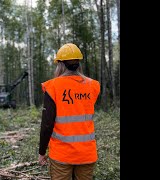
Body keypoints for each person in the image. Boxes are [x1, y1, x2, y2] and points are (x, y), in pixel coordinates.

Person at [38, 43, 101, 180]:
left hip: (62, 154)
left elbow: (47, 125)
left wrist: (42, 152)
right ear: (78, 63)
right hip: (87, 154)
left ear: (60, 64)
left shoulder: (53, 87)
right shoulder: (93, 86)